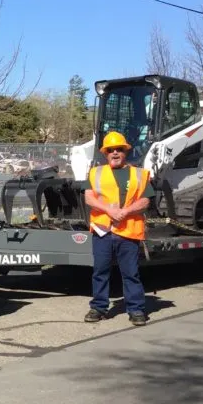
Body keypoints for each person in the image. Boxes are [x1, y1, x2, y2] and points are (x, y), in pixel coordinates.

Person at [83, 130, 155, 326]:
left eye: (119, 150)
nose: (115, 153)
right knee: (100, 270)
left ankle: (136, 309)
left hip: (128, 230)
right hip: (102, 230)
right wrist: (110, 211)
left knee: (130, 272)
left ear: (125, 152)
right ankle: (98, 307)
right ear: (105, 154)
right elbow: (89, 198)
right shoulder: (95, 172)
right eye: (111, 150)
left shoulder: (140, 174)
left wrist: (125, 212)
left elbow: (145, 201)